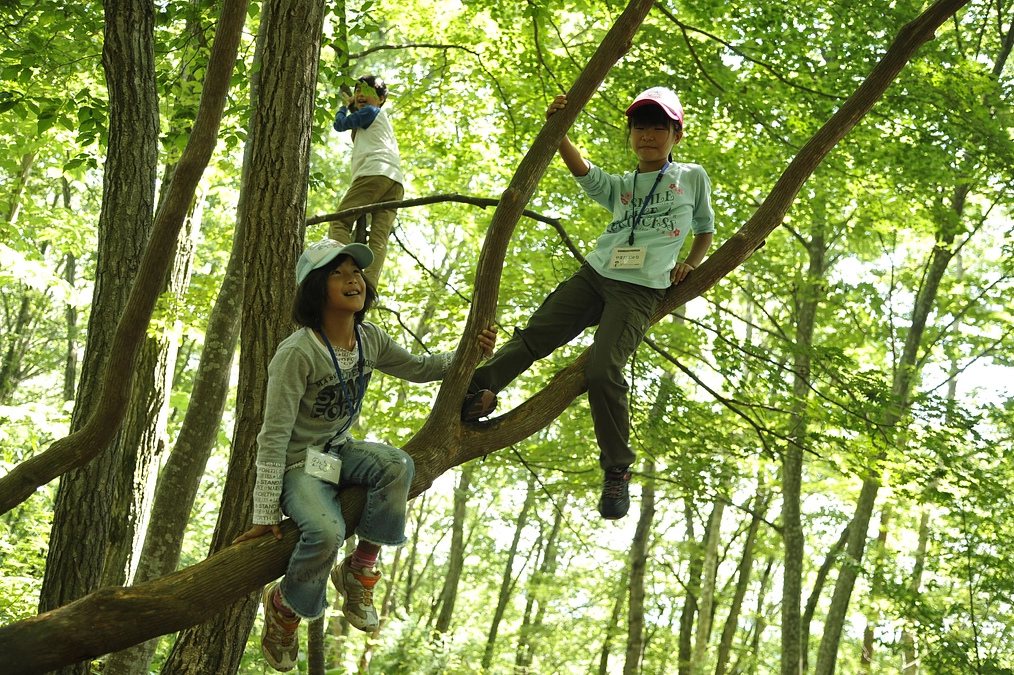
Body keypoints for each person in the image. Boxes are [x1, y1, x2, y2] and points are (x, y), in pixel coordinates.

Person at [234, 239, 497, 671]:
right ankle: (283, 606)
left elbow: (420, 368)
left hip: (338, 453)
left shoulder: (369, 338)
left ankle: (359, 570)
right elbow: (272, 435)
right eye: (338, 273)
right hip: (301, 464)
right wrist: (264, 510)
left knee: (398, 464)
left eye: (355, 271)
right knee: (324, 530)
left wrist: (474, 350)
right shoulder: (297, 353)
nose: (352, 278)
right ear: (315, 288)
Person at [462, 87, 715, 520]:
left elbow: (706, 229)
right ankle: (479, 391)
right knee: (537, 334)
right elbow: (587, 174)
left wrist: (690, 263)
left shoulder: (691, 176)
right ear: (630, 134)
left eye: (659, 127)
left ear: (676, 134)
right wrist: (557, 129)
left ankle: (616, 467)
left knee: (603, 369)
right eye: (640, 126)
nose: (648, 135)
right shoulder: (624, 185)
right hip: (596, 275)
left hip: (640, 290)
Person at [329, 75, 404, 289]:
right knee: (378, 240)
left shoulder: (371, 112)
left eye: (367, 91)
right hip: (394, 181)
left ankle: (344, 272)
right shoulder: (375, 121)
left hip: (374, 173)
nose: (361, 95)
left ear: (380, 99)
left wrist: (345, 107)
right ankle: (368, 288)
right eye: (357, 91)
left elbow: (339, 124)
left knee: (339, 221)